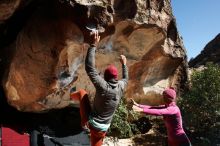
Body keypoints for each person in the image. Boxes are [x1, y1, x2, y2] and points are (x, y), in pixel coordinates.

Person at [70, 31, 128, 146]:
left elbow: (90, 68)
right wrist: (124, 65)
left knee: (82, 93)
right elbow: (126, 78)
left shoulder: (104, 87)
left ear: (105, 77)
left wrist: (93, 45)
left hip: (92, 123)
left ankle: (71, 97)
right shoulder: (121, 86)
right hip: (104, 127)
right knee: (96, 142)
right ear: (116, 78)